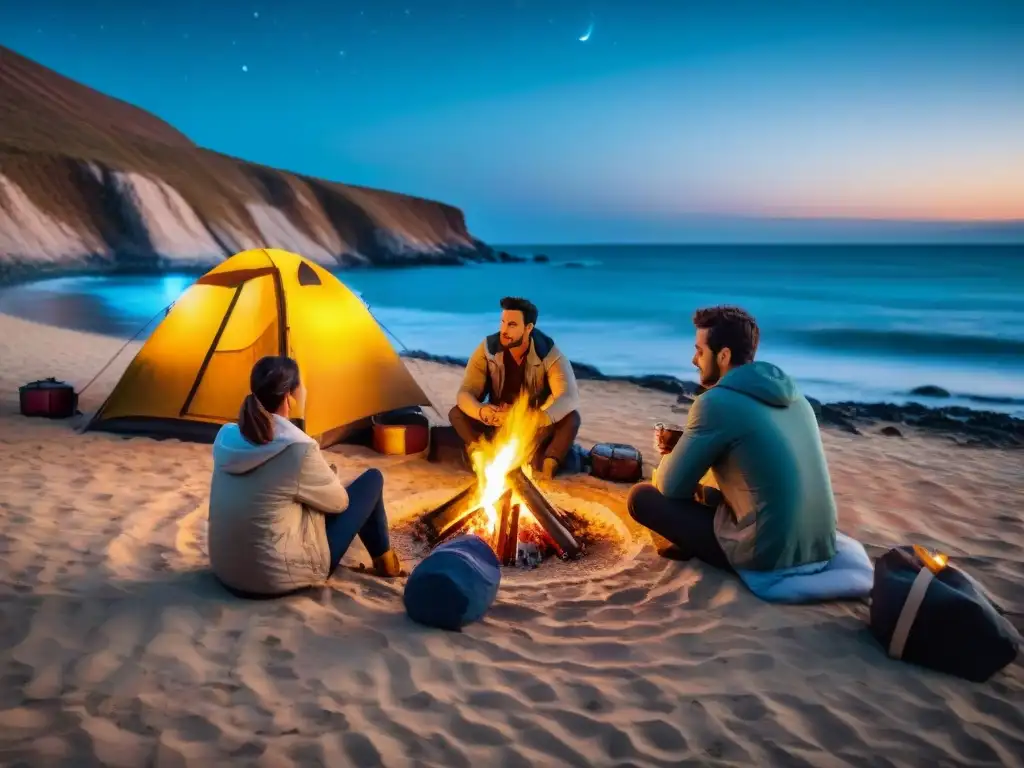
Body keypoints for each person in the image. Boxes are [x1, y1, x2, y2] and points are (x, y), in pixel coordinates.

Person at [627, 305, 837, 574]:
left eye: (700, 351)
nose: (694, 360)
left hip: (767, 555)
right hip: (820, 544)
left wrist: (671, 455)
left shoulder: (716, 402)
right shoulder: (799, 401)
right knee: (710, 492)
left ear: (724, 355)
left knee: (642, 497)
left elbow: (671, 487)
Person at [208, 355, 403, 598]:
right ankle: (387, 563)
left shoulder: (227, 436)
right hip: (271, 578)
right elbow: (339, 503)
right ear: (290, 396)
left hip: (225, 569)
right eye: (302, 385)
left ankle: (385, 561)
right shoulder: (298, 447)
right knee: (372, 480)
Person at [448, 296, 582, 478]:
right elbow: (466, 392)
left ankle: (548, 469)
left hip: (531, 426)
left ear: (528, 328)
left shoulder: (548, 352)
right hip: (498, 421)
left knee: (572, 418)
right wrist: (482, 411)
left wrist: (534, 418)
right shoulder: (488, 349)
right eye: (502, 322)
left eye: (512, 325)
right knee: (457, 413)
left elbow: (567, 397)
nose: (504, 330)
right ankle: (480, 457)